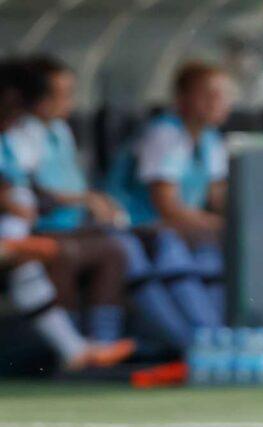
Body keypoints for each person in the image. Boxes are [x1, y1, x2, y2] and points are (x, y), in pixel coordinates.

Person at [11, 55, 196, 353]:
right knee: (73, 253)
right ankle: (70, 350)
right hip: (42, 227)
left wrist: (95, 203)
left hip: (73, 224)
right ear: (37, 97)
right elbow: (27, 189)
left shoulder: (59, 131)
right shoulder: (22, 133)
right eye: (61, 94)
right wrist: (83, 200)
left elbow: (69, 184)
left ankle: (103, 343)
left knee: (122, 247)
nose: (68, 102)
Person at [0, 58, 133, 370]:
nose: (17, 123)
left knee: (27, 269)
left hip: (21, 231)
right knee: (40, 255)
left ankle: (75, 351)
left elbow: (20, 190)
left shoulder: (17, 137)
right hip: (28, 230)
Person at [107, 61, 232, 327]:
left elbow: (218, 199)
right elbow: (167, 207)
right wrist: (224, 226)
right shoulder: (165, 133)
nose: (217, 103)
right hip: (133, 225)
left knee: (213, 248)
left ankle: (215, 332)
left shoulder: (210, 139)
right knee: (175, 247)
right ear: (182, 99)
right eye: (208, 95)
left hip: (177, 227)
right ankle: (197, 337)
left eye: (222, 96)